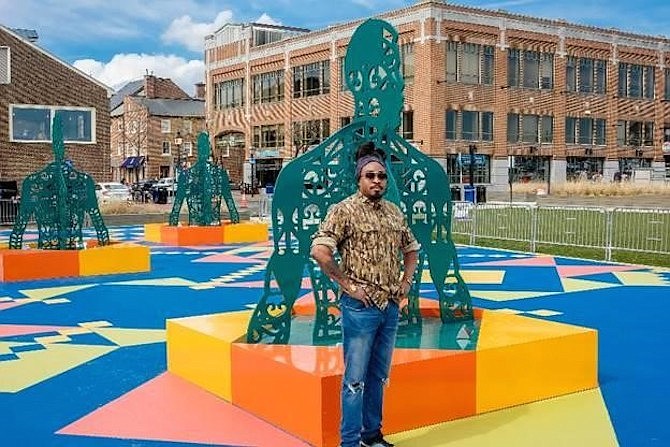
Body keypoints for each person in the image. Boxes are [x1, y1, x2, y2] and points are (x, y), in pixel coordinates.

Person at [311, 142, 420, 447]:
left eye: (382, 176)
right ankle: (348, 442)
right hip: (360, 309)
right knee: (355, 380)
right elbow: (320, 251)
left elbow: (411, 249)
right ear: (359, 178)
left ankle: (372, 436)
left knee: (379, 376)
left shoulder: (394, 212)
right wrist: (347, 285)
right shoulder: (343, 210)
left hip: (389, 308)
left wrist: (406, 283)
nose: (376, 181)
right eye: (370, 175)